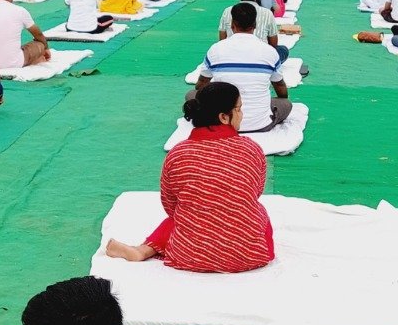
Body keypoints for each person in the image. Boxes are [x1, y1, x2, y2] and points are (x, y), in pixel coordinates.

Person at [106, 81, 274, 274]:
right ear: (224, 117)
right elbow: (255, 192)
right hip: (250, 255)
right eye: (239, 109)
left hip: (188, 254)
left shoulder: (177, 153)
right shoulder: (251, 149)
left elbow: (170, 205)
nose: (242, 115)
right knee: (257, 210)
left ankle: (144, 250)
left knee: (182, 216)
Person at [190, 8, 291, 133]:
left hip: (223, 120)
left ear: (232, 25)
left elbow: (201, 86)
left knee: (191, 95)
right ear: (255, 25)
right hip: (260, 124)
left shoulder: (216, 49)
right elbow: (280, 86)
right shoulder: (269, 51)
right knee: (286, 104)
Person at [221, 0, 287, 62]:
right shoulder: (266, 13)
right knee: (282, 50)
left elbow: (222, 40)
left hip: (232, 56)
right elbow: (273, 45)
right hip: (260, 57)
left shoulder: (227, 11)